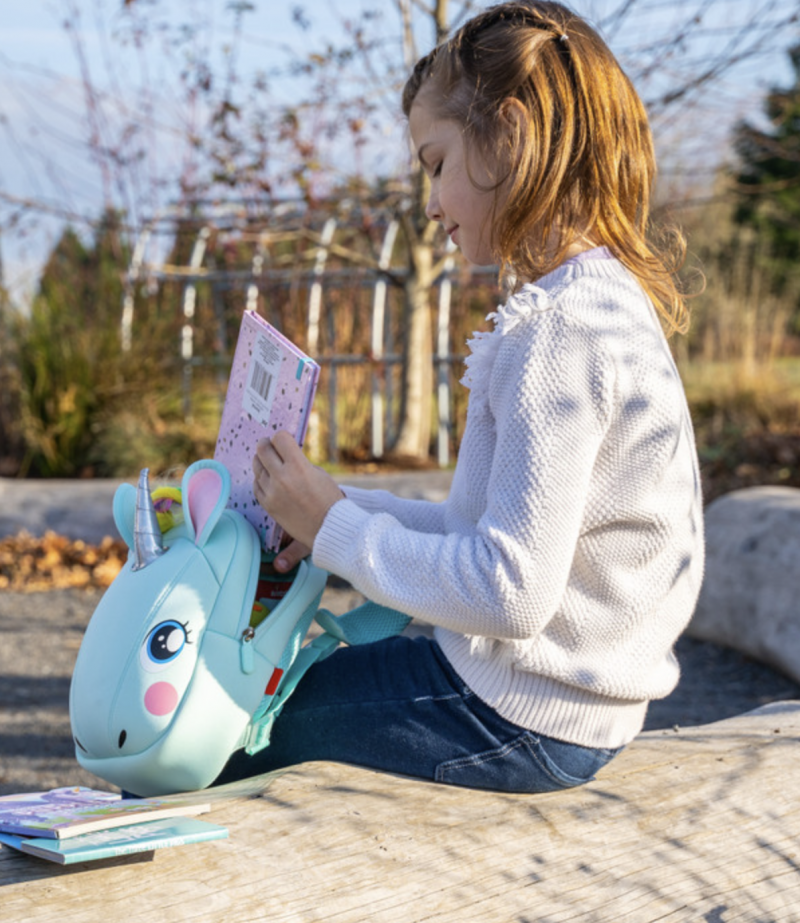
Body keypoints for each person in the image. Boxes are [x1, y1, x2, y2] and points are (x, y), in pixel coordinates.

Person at [214, 0, 705, 794]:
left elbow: (507, 591)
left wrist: (334, 528)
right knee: (290, 692)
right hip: (547, 700)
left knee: (219, 727)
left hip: (521, 713)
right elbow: (476, 535)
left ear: (508, 136)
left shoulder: (560, 329)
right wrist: (335, 506)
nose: (431, 204)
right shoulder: (591, 301)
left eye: (436, 164)